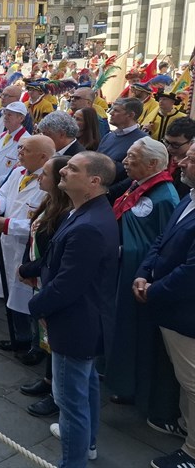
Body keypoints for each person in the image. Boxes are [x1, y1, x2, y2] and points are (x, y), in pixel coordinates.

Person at [20, 152, 119, 468]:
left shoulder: (89, 224)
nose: (64, 170)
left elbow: (68, 285)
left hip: (75, 324)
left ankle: (72, 462)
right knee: (85, 386)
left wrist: (36, 305)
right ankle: (87, 445)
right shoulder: (86, 211)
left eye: (73, 169)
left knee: (70, 402)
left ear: (94, 181)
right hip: (82, 320)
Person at [106, 139, 180, 425]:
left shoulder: (165, 197)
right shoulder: (137, 184)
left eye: (132, 157)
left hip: (137, 278)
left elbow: (165, 245)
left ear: (152, 164)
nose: (125, 161)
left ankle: (133, 388)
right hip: (121, 270)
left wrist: (129, 252)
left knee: (134, 333)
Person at [134, 142, 195, 468]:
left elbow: (191, 273)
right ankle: (185, 426)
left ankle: (193, 452)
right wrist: (144, 272)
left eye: (190, 159)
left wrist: (153, 289)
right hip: (167, 301)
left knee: (192, 382)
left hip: (185, 313)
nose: (181, 163)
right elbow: (163, 239)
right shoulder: (189, 196)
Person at [18, 155, 73, 419]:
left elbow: (53, 253)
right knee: (45, 336)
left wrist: (30, 268)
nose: (39, 177)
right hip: (40, 276)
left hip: (49, 279)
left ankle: (56, 393)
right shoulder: (50, 202)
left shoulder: (65, 214)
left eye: (45, 174)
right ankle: (49, 380)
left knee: (53, 336)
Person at [0, 135, 56, 357]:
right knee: (12, 294)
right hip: (8, 244)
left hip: (28, 250)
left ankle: (37, 346)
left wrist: (8, 225)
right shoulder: (19, 172)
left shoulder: (49, 184)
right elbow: (4, 195)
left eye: (26, 150)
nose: (20, 153)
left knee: (30, 299)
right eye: (20, 148)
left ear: (43, 157)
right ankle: (19, 336)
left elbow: (42, 222)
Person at [98, 96, 148, 185]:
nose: (111, 113)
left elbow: (133, 177)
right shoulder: (109, 136)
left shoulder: (143, 141)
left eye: (116, 110)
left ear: (131, 115)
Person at [0, 101, 30, 190]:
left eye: (10, 115)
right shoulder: (0, 137)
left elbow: (19, 169)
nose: (5, 117)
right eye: (5, 114)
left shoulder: (27, 142)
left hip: (4, 188)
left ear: (21, 118)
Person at [163, 118, 195, 198]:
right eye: (166, 142)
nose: (169, 148)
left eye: (175, 145)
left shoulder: (191, 171)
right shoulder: (162, 155)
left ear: (191, 142)